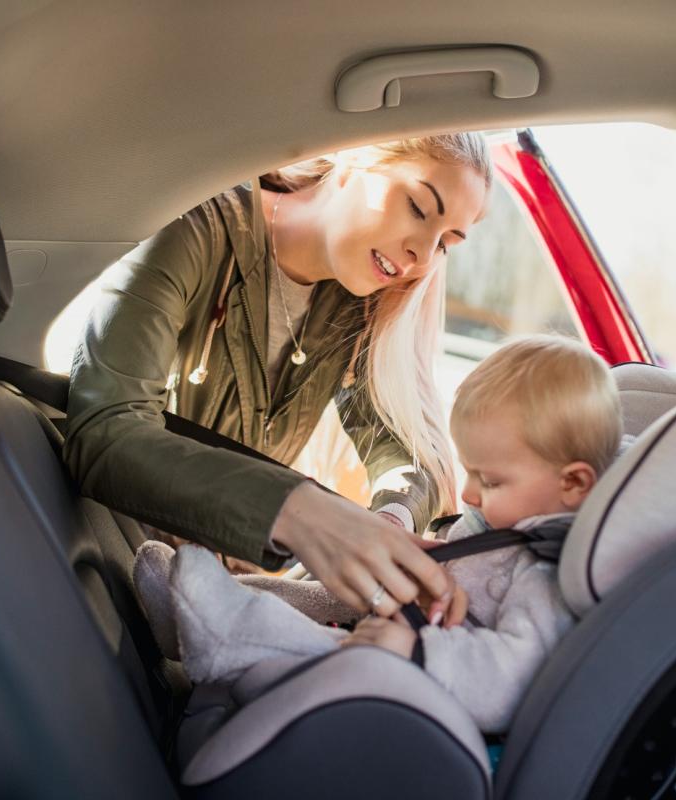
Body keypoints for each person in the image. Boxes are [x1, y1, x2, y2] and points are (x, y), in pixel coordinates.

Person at [64, 135, 492, 618]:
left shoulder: (360, 299)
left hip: (219, 590)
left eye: (447, 242)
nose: (422, 253)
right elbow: (105, 433)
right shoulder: (197, 229)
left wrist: (390, 521)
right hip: (120, 563)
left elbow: (402, 450)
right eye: (417, 207)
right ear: (354, 158)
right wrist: (298, 512)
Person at [134, 335, 626, 732]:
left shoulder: (548, 574)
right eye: (469, 472)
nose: (470, 494)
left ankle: (218, 626)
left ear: (574, 483)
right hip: (407, 619)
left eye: (491, 480)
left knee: (320, 646)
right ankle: (196, 605)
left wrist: (414, 652)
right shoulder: (509, 520)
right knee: (325, 594)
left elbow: (510, 681)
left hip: (413, 684)